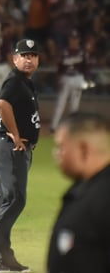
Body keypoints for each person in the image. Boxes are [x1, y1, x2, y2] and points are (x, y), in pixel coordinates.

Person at [0, 39, 41, 273]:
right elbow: (2, 105)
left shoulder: (24, 82)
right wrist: (15, 134)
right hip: (10, 148)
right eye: (24, 55)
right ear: (15, 59)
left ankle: (4, 254)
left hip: (13, 149)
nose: (29, 59)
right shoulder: (14, 80)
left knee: (6, 201)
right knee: (15, 199)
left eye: (33, 55)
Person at [47, 112, 110, 273]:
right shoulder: (82, 189)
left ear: (83, 150)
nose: (56, 154)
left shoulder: (103, 199)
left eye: (61, 147)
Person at [49, 29, 94, 133]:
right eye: (72, 38)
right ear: (69, 40)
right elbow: (59, 68)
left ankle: (73, 128)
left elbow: (87, 68)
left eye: (75, 38)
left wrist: (86, 79)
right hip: (66, 78)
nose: (74, 40)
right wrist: (59, 79)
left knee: (74, 105)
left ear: (78, 40)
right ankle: (53, 126)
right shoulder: (64, 52)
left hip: (78, 78)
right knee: (60, 103)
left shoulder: (82, 53)